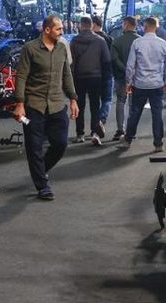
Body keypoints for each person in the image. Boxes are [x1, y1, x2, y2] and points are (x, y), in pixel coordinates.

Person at [13, 14, 77, 201]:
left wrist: (73, 98)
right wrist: (19, 104)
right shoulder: (30, 48)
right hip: (34, 106)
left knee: (60, 144)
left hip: (57, 104)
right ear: (47, 30)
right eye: (58, 29)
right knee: (34, 147)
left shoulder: (62, 48)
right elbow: (21, 76)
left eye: (62, 28)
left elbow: (66, 75)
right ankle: (42, 185)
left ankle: (40, 170)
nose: (62, 32)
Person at [121, 16, 166, 151]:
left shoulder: (137, 43)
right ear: (156, 27)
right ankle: (158, 144)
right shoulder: (163, 44)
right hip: (157, 84)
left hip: (140, 84)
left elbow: (130, 66)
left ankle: (128, 140)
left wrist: (128, 82)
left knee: (135, 112)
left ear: (145, 27)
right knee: (157, 114)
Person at [69, 15, 112, 145]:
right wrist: (106, 78)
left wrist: (70, 79)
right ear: (91, 25)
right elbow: (106, 60)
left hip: (79, 77)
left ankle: (80, 134)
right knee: (95, 105)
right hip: (96, 77)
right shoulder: (100, 41)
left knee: (79, 106)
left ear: (81, 26)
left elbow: (71, 62)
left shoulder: (74, 41)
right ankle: (94, 132)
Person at [109, 15, 139, 135]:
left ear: (126, 25)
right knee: (133, 104)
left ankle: (120, 129)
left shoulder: (117, 41)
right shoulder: (140, 41)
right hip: (137, 77)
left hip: (121, 76)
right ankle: (131, 131)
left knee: (121, 101)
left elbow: (114, 59)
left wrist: (125, 69)